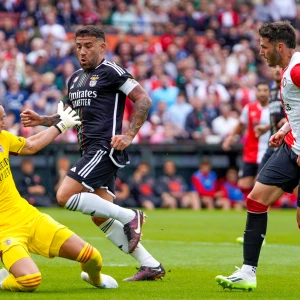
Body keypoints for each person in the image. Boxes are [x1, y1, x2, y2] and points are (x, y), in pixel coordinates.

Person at [21, 25, 165, 281]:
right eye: (78, 46)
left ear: (102, 46)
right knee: (100, 216)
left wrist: (130, 135)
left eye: (88, 46)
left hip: (104, 147)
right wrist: (42, 119)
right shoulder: (74, 78)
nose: (82, 52)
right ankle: (150, 264)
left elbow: (143, 99)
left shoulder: (112, 71)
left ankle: (132, 216)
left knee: (64, 195)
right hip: (88, 149)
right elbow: (69, 116)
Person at [215, 21, 300, 291]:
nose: (261, 52)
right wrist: (286, 127)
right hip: (290, 147)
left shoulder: (297, 70)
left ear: (280, 46)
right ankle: (248, 272)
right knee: (255, 200)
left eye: (264, 47)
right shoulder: (289, 71)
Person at [0, 102, 118, 292]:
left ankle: (96, 280)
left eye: (3, 118)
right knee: (30, 280)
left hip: (28, 217)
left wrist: (61, 125)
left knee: (92, 256)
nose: (3, 124)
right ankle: (2, 281)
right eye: (0, 120)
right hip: (4, 231)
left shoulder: (2, 139)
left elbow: (31, 145)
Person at [222, 82, 270, 198]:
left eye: (265, 90)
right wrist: (230, 137)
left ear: (269, 92)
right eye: (260, 90)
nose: (262, 93)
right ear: (256, 92)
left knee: (259, 184)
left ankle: (260, 210)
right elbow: (240, 125)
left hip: (267, 152)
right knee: (243, 185)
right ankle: (252, 207)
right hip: (251, 151)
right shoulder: (249, 108)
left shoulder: (275, 109)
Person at [257, 65, 286, 172]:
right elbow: (276, 116)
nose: (277, 69)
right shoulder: (272, 90)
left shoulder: (288, 88)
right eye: (274, 67)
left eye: (280, 66)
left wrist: (288, 121)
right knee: (260, 177)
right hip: (273, 142)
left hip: (286, 143)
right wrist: (266, 128)